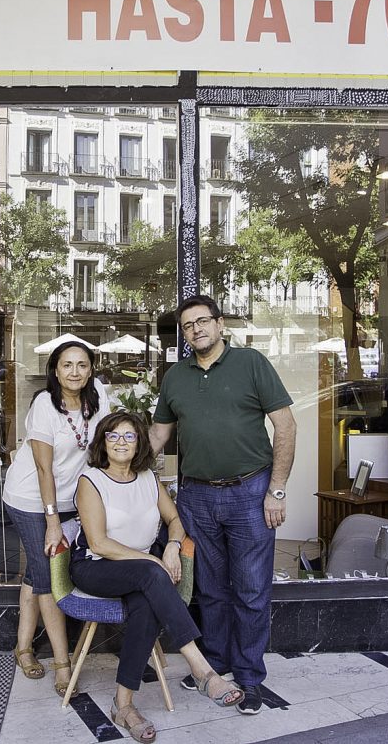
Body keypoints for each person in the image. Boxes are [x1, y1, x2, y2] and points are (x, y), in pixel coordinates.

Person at [149, 295, 296, 716]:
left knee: (251, 590)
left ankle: (249, 679)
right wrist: (119, 463)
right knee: (210, 590)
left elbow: (285, 425)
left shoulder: (251, 363)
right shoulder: (175, 376)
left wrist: (277, 489)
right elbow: (157, 437)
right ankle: (213, 667)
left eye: (202, 321)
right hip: (195, 494)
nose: (196, 330)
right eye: (188, 325)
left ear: (220, 324)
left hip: (251, 492)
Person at [73, 412, 243, 743]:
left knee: (147, 606)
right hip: (95, 566)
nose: (121, 442)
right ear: (102, 443)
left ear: (140, 443)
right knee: (150, 574)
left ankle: (123, 705)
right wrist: (152, 558)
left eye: (129, 436)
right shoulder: (90, 480)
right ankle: (202, 669)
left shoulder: (148, 478)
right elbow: (98, 543)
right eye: (113, 436)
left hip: (138, 573)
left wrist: (173, 545)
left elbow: (174, 518)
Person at [1, 340, 109, 696]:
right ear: (56, 370)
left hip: (69, 499)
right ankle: (63, 666)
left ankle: (23, 648)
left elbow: (102, 451)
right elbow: (44, 470)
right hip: (32, 499)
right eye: (67, 365)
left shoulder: (99, 399)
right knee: (48, 573)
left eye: (81, 365)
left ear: (90, 369)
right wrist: (51, 522)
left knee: (35, 571)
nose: (74, 372)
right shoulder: (44, 405)